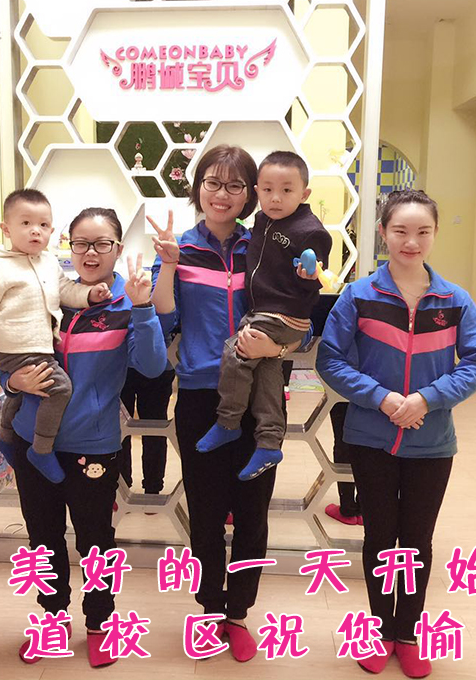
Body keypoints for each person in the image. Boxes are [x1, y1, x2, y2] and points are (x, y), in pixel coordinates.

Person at [316, 189, 476, 678]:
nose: (411, 241)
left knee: (416, 540)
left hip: (432, 442)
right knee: (380, 536)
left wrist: (426, 399)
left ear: (433, 234)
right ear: (383, 233)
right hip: (370, 437)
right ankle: (380, 631)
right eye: (400, 231)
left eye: (422, 232)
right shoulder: (358, 296)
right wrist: (383, 398)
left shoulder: (454, 301)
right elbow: (331, 359)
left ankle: (409, 633)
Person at [148, 145, 305, 662]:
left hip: (260, 398)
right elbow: (165, 319)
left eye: (235, 185)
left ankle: (238, 613)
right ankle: (211, 607)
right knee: (207, 512)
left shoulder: (264, 246)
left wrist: (276, 348)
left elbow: (298, 318)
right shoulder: (179, 248)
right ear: (198, 188)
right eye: (213, 183)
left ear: (249, 194)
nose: (223, 194)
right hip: (200, 396)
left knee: (253, 513)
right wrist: (169, 266)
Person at [0, 207, 167, 668]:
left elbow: (152, 366)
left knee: (96, 540)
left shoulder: (126, 301)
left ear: (118, 248)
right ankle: (52, 620)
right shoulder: (49, 294)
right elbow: (9, 350)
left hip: (93, 445)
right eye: (80, 243)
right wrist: (12, 382)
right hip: (32, 441)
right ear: (68, 246)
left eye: (102, 244)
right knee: (43, 538)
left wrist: (143, 307)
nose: (90, 253)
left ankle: (99, 623)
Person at [196, 151, 332, 482]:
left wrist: (308, 275)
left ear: (304, 194)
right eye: (268, 190)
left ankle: (228, 422)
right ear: (257, 191)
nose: (276, 198)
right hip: (264, 312)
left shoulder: (310, 230)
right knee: (268, 375)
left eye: (286, 190)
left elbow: (315, 276)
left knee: (236, 351)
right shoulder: (261, 221)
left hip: (283, 314)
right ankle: (269, 442)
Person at [0, 189, 111, 484]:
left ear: (52, 231)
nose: (35, 231)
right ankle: (41, 450)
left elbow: (66, 290)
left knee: (25, 393)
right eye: (26, 223)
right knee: (60, 389)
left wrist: (89, 295)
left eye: (43, 225)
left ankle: (5, 437)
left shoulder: (48, 263)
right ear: (6, 229)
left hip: (40, 346)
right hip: (16, 348)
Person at [119, 363, 175, 496]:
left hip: (126, 365)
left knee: (154, 430)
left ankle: (149, 487)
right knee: (153, 431)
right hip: (152, 365)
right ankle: (128, 487)